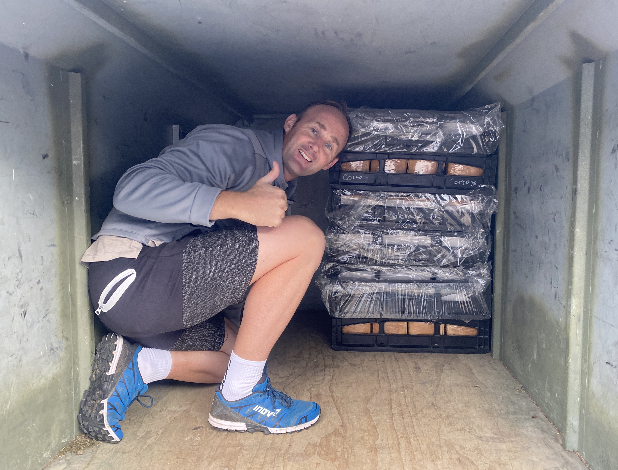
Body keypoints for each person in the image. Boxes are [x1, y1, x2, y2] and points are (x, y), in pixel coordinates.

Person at [77, 101, 350, 442]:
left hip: (152, 309)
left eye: (329, 145)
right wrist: (234, 202)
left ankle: (140, 365)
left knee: (239, 361)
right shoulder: (237, 147)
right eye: (314, 130)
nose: (316, 145)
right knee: (306, 237)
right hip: (133, 278)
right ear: (290, 122)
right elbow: (131, 189)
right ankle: (241, 400)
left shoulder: (279, 187)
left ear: (330, 163)